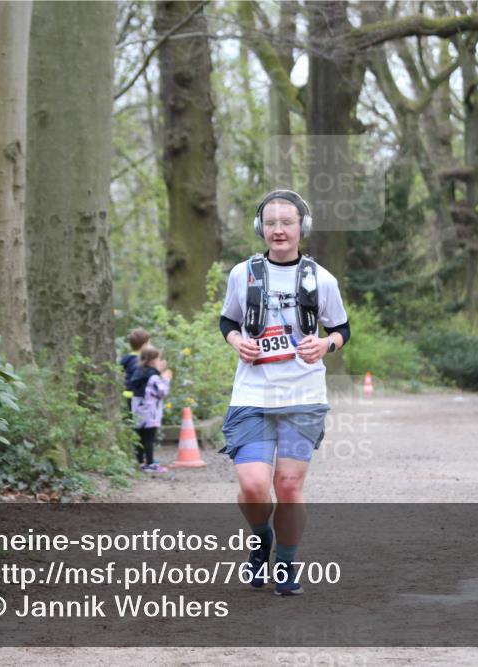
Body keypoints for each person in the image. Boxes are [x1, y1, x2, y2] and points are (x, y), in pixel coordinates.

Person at [218, 189, 350, 596]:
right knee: (255, 484)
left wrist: (325, 345)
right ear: (261, 228)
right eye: (271, 222)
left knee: (289, 486)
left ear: (301, 228)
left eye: (287, 222)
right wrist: (236, 341)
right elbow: (228, 321)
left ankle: (286, 565)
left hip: (303, 395)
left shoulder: (321, 278)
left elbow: (341, 329)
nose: (279, 229)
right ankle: (261, 540)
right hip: (252, 396)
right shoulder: (243, 274)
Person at [131, 346, 172, 473]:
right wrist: (166, 378)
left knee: (139, 438)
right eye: (158, 358)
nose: (160, 361)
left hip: (137, 410)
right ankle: (150, 464)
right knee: (149, 438)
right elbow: (162, 391)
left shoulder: (138, 372)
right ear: (152, 360)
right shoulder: (153, 376)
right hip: (150, 412)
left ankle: (140, 462)